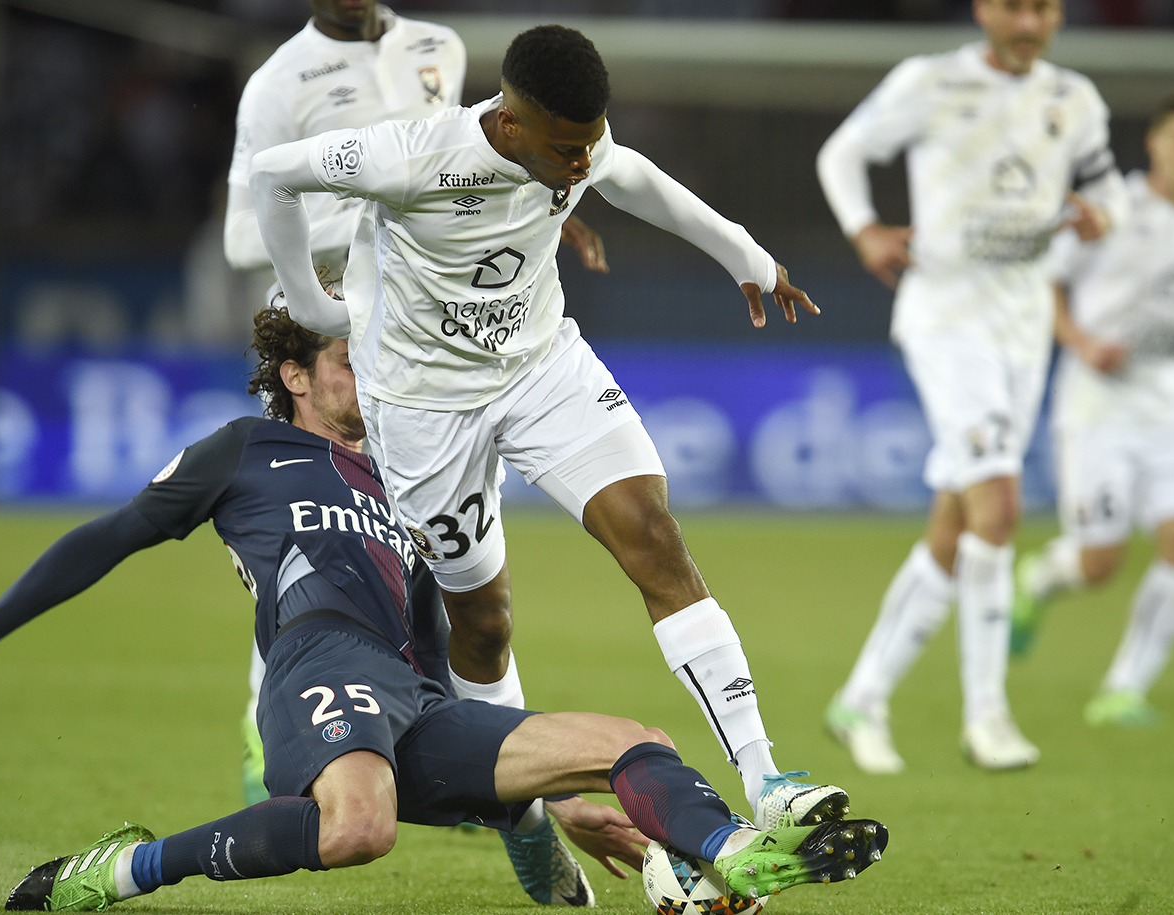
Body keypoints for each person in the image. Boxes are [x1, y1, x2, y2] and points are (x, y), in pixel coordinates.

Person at [0, 311, 889, 913]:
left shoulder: (409, 478)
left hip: (410, 695)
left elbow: (438, 642)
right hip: (315, 662)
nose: (368, 372)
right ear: (296, 375)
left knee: (633, 739)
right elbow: (110, 535)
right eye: (348, 357)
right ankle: (127, 869)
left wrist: (536, 792)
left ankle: (732, 851)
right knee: (357, 828)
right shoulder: (242, 449)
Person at [248, 23, 848, 832]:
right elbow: (275, 174)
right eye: (566, 149)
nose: (580, 163)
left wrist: (742, 251)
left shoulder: (577, 144)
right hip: (426, 407)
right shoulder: (411, 154)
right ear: (510, 122)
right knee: (484, 623)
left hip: (542, 368)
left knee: (653, 533)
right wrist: (315, 306)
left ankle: (766, 778)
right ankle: (525, 823)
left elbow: (629, 174)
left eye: (587, 144)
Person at [223, 5, 611, 895]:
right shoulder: (278, 85)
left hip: (439, 360)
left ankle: (511, 800)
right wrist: (382, 209)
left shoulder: (441, 46)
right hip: (339, 345)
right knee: (318, 552)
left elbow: (479, 166)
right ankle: (271, 730)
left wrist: (519, 215)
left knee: (470, 591)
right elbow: (248, 230)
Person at [816, 0, 1129, 773]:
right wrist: (864, 228)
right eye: (1015, 7)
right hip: (946, 321)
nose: (1030, 22)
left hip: (1023, 332)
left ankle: (861, 696)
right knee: (1000, 503)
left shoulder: (1075, 99)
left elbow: (1109, 191)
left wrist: (1101, 217)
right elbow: (843, 153)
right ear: (986, 10)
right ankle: (987, 716)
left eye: (1045, 8)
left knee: (956, 527)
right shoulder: (931, 82)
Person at [1011, 92, 1174, 727]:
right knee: (1101, 561)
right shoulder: (1112, 209)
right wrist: (1079, 341)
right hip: (1097, 398)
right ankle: (1041, 578)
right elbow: (1042, 281)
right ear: (1154, 144)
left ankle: (1124, 688)